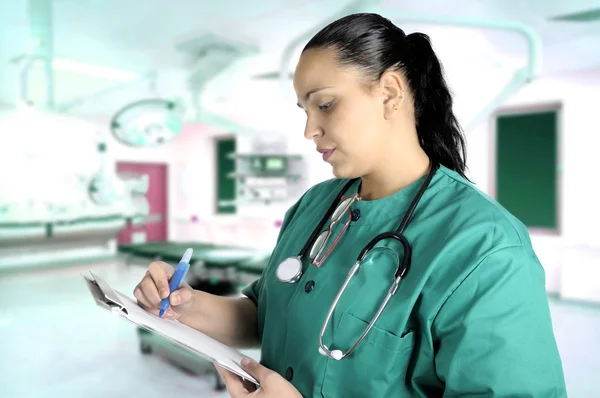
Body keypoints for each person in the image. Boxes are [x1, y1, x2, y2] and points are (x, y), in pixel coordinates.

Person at [134, 12, 568, 398]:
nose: (309, 130)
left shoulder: (484, 248)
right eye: (304, 109)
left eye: (325, 104)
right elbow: (264, 315)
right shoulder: (315, 206)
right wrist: (186, 305)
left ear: (391, 93)